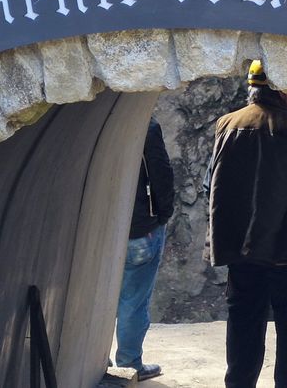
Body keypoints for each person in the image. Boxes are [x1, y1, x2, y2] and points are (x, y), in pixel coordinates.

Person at [207, 61, 287, 388]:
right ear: (283, 92)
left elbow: (212, 184)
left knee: (243, 328)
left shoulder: (226, 125)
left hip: (242, 250)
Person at [113, 117, 175, 380]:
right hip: (139, 229)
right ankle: (129, 363)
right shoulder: (144, 126)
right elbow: (161, 173)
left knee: (96, 299)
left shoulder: (87, 120)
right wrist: (162, 215)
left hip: (97, 231)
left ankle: (93, 361)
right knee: (133, 302)